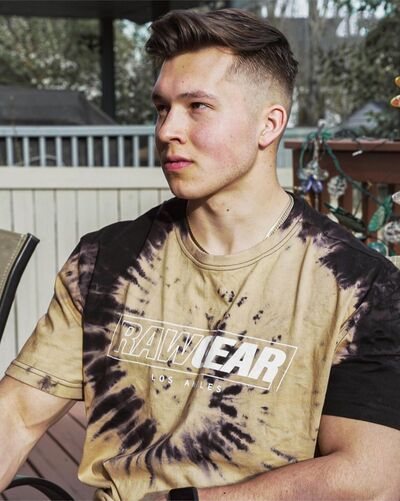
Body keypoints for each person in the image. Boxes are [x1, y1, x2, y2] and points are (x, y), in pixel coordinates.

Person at [0, 8, 399, 501]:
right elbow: (17, 414)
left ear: (269, 124)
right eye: (162, 108)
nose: (167, 130)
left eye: (197, 107)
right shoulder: (106, 260)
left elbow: (371, 477)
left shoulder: (357, 284)